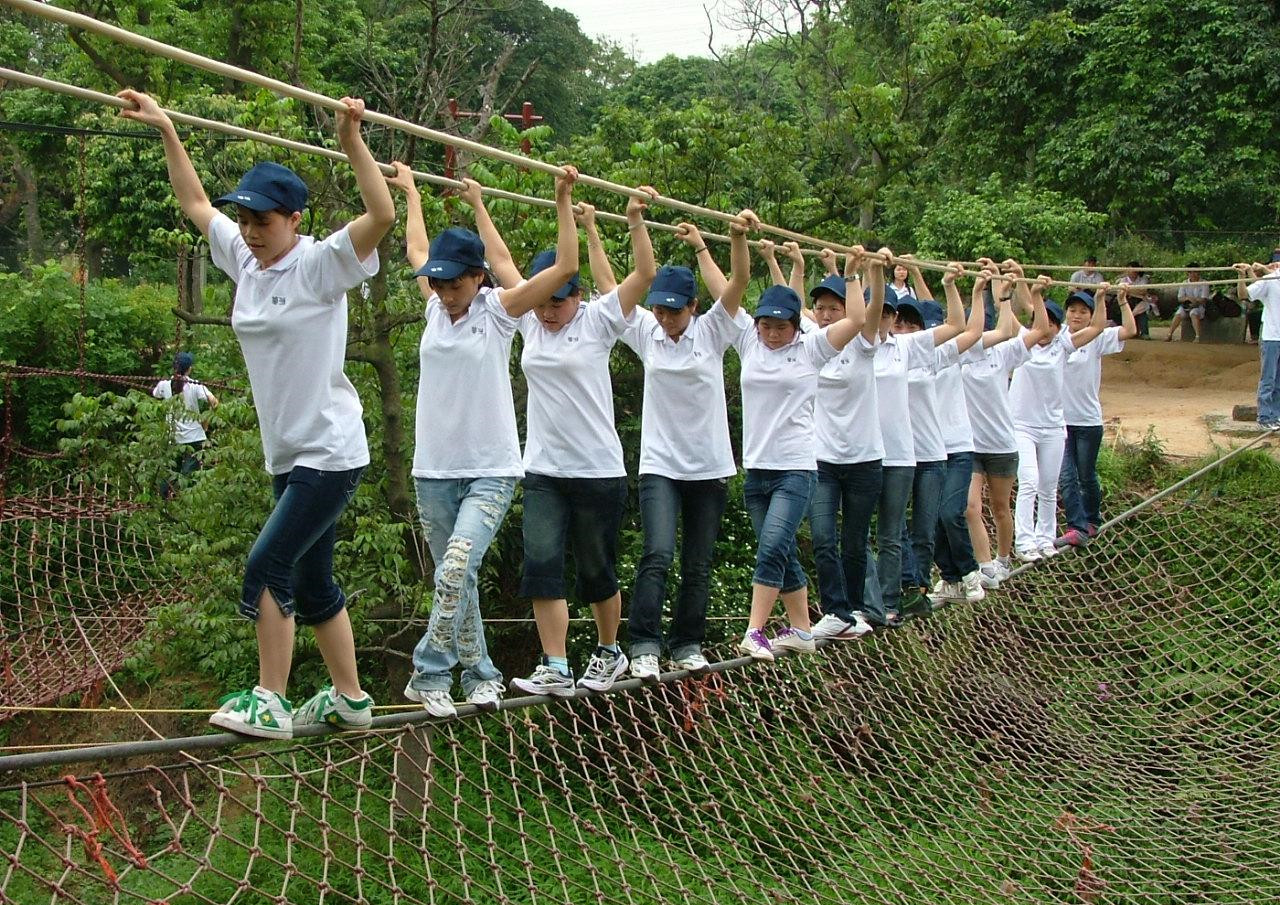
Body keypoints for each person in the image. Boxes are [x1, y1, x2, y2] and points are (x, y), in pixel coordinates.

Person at [119, 90, 393, 738]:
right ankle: (351, 698)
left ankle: (270, 698)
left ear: (295, 219)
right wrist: (165, 125)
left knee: (267, 563)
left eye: (264, 220)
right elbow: (194, 203)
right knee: (313, 578)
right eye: (245, 218)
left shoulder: (321, 266)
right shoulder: (243, 259)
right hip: (289, 452)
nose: (249, 230)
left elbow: (382, 212)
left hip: (328, 450)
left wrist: (352, 140)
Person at [386, 163, 580, 717]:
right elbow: (417, 247)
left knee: (456, 566)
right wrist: (411, 193)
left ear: (477, 279)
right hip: (433, 470)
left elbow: (565, 265)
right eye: (439, 284)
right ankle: (481, 676)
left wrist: (561, 198)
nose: (445, 293)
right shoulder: (433, 305)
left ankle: (428, 673)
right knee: (458, 579)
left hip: (491, 467)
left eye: (455, 284)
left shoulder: (498, 311)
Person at [510, 186, 658, 697]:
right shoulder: (529, 320)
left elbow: (644, 276)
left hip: (597, 469)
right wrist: (478, 200)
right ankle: (554, 663)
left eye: (559, 300)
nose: (548, 311)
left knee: (597, 568)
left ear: (577, 295)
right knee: (542, 563)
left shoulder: (598, 320)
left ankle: (608, 650)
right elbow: (502, 260)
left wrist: (633, 220)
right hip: (545, 469)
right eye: (543, 301)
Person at [620, 217, 753, 681]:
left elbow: (738, 281)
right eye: (658, 309)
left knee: (698, 562)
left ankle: (687, 642)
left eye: (674, 310)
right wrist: (613, 225)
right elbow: (609, 286)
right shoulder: (646, 333)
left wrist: (728, 239)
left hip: (708, 465)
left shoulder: (713, 330)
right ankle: (643, 644)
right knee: (656, 552)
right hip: (659, 464)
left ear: (694, 307)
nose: (664, 317)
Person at [734, 242, 872, 661]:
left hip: (795, 469)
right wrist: (738, 240)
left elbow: (857, 319)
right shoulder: (748, 342)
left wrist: (851, 273)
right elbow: (729, 286)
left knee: (772, 546)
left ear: (797, 325)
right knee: (783, 550)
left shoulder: (811, 350)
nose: (772, 333)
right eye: (766, 325)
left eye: (781, 326)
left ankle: (754, 630)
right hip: (757, 470)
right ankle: (801, 629)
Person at [861, 254, 964, 626]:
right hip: (863, 454)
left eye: (889, 313)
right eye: (879, 311)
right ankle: (864, 605)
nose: (885, 319)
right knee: (857, 535)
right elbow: (811, 314)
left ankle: (891, 603)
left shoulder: (905, 348)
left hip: (901, 456)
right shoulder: (852, 345)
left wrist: (950, 284)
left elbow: (956, 324)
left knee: (891, 534)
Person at [799, 246, 884, 641]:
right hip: (822, 458)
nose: (826, 314)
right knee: (822, 536)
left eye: (834, 308)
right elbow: (787, 300)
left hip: (865, 459)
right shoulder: (812, 343)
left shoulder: (863, 344)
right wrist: (786, 262)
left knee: (854, 542)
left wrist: (866, 272)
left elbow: (867, 310)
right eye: (820, 308)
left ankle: (853, 609)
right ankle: (835, 610)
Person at [893, 265, 985, 608]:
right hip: (905, 455)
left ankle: (967, 572)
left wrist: (969, 289)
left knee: (944, 517)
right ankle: (936, 581)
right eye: (898, 324)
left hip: (950, 448)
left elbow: (970, 329)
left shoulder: (934, 354)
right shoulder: (883, 354)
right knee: (913, 525)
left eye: (911, 326)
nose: (903, 331)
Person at [962, 262, 1052, 587]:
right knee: (969, 506)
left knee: (1001, 508)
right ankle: (985, 565)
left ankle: (1003, 559)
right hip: (970, 445)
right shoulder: (959, 356)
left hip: (1001, 444)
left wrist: (1029, 295)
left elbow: (1040, 331)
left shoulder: (1003, 353)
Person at [1008, 279, 1108, 561]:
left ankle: (1045, 538)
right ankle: (1025, 541)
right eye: (1041, 323)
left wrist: (1101, 297)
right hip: (1023, 426)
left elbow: (1098, 327)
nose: (1046, 328)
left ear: (1057, 328)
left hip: (1053, 427)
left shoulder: (1063, 346)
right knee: (1029, 481)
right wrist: (1006, 287)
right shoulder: (1022, 343)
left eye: (1052, 323)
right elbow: (1010, 312)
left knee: (1049, 486)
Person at [1057, 287, 1138, 547]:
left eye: (1083, 311)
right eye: (1072, 310)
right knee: (1066, 476)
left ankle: (1091, 520)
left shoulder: (1097, 338)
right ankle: (1076, 527)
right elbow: (1030, 308)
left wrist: (1122, 302)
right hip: (1059, 421)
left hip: (1088, 421)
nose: (1077, 315)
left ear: (1092, 316)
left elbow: (1130, 331)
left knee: (1086, 475)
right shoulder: (1057, 336)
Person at [152, 350, 218, 498]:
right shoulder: (195, 385)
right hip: (194, 437)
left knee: (170, 471)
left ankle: (164, 501)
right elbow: (214, 402)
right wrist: (205, 418)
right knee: (190, 474)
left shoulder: (164, 385)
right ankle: (186, 502)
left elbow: (155, 394)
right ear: (189, 368)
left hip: (173, 436)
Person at [1235, 254, 1280, 429]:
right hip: (1271, 337)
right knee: (1268, 379)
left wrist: (1261, 270)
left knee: (1278, 381)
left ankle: (1275, 415)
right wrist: (1242, 276)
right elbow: (1245, 294)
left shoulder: (1271, 277)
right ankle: (1265, 417)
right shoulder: (1269, 280)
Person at [1168, 264, 1209, 342]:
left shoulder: (1204, 283)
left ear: (1198, 272)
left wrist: (1195, 301)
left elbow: (1204, 299)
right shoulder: (1184, 283)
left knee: (1193, 313)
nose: (1192, 274)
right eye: (1190, 272)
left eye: (1194, 272)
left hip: (1199, 306)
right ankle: (1169, 334)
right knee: (1179, 313)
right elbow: (1180, 298)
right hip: (1186, 306)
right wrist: (1188, 299)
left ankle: (1197, 336)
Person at [1118, 262, 1152, 338]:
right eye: (1132, 269)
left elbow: (1143, 291)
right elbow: (1121, 291)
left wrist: (1129, 290)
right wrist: (1136, 290)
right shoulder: (1123, 280)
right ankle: (1128, 331)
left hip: (1140, 301)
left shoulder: (1143, 279)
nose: (1134, 272)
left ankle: (1144, 333)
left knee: (1142, 311)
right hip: (1127, 301)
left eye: (1135, 269)